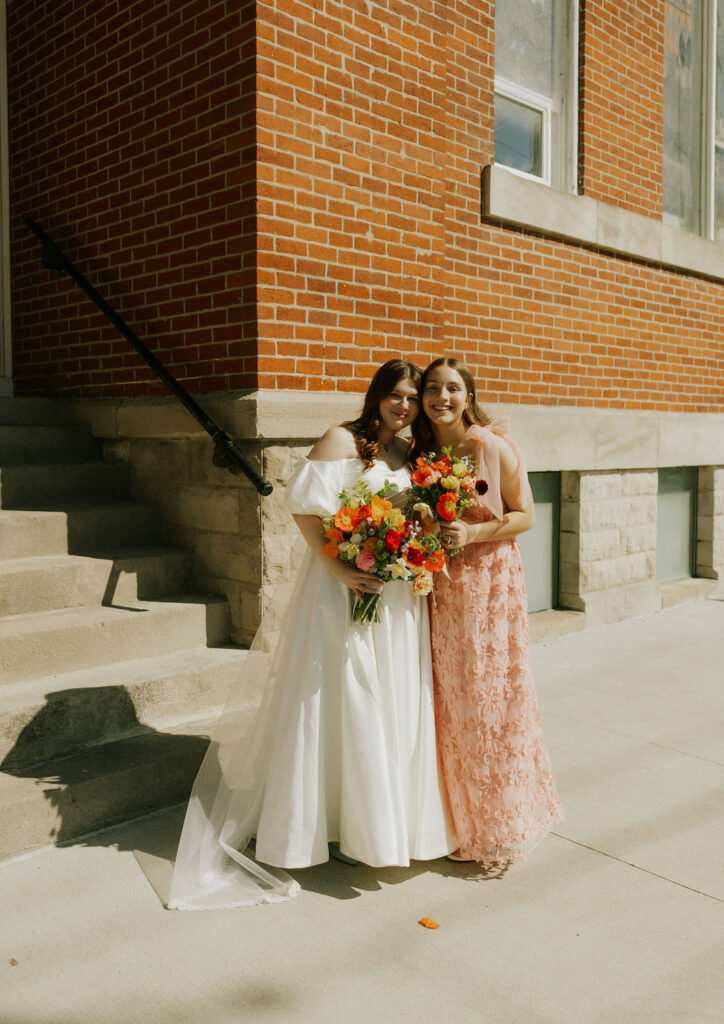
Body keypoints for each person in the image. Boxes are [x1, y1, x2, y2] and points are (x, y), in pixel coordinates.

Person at [168, 360, 455, 909]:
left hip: (393, 596)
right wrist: (340, 568)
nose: (404, 407)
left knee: (388, 700)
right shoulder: (342, 439)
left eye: (413, 400)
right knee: (346, 697)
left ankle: (376, 822)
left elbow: (418, 517)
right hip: (341, 588)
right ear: (376, 396)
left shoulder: (409, 453)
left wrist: (415, 552)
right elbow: (303, 510)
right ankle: (329, 824)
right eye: (395, 396)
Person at [413, 357, 563, 864]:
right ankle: (458, 819)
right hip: (443, 585)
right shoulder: (424, 450)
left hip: (489, 584)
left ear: (468, 395)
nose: (442, 397)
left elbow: (526, 514)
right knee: (452, 699)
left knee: (489, 698)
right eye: (432, 388)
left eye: (452, 388)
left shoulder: (486, 444)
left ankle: (500, 821)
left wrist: (473, 532)